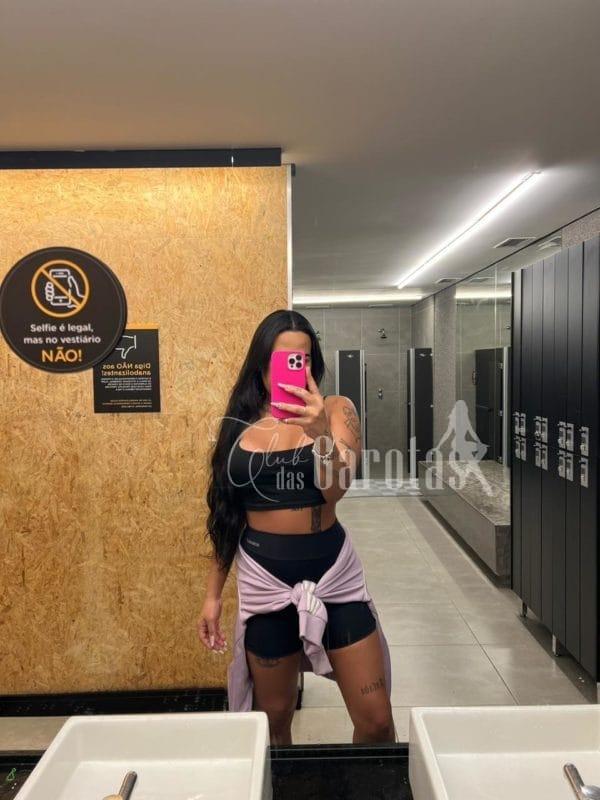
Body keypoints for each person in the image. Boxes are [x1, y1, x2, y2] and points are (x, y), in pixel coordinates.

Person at [197, 309, 395, 745]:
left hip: (334, 576)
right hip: (265, 582)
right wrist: (213, 595)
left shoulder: (337, 410)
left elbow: (335, 491)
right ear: (261, 364)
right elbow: (226, 515)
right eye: (281, 358)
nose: (291, 368)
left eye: (301, 359)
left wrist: (321, 433)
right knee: (274, 720)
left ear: (311, 363)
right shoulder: (239, 424)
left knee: (377, 720)